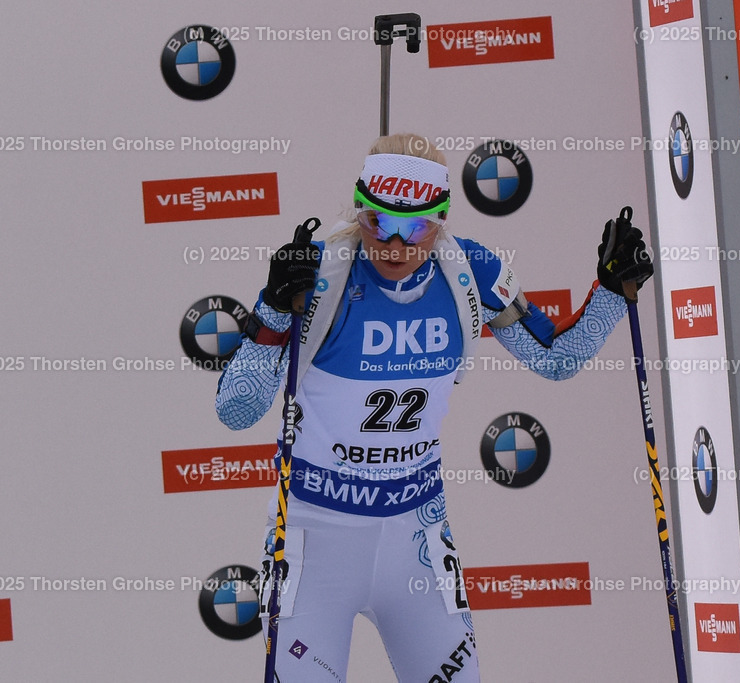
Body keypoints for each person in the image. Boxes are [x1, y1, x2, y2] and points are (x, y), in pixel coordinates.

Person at [215, 133, 652, 682]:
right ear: (360, 211)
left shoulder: (469, 273)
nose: (395, 246)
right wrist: (276, 312)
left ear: (442, 217)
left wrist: (613, 290)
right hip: (314, 535)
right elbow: (236, 409)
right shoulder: (317, 275)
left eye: (415, 227)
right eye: (379, 223)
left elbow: (557, 358)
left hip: (415, 538)